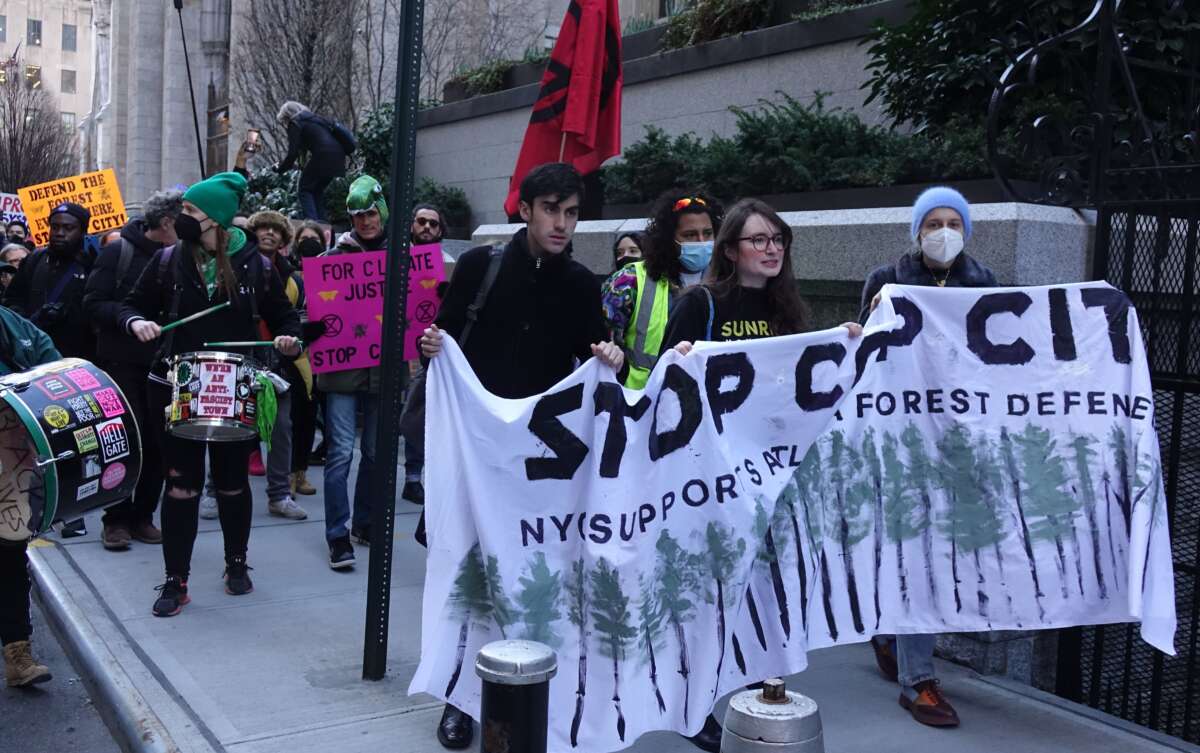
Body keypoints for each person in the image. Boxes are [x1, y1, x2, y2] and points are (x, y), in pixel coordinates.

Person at [419, 162, 623, 750]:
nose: (563, 223)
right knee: (468, 573)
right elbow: (442, 337)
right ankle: (459, 698)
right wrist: (431, 343)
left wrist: (611, 356)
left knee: (531, 572)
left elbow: (598, 361)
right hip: (475, 454)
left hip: (538, 462)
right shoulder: (480, 267)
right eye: (552, 210)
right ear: (526, 209)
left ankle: (529, 680)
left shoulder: (584, 284)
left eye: (573, 212)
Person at [661, 198, 862, 752]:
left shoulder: (788, 310)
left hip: (767, 480)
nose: (771, 249)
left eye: (778, 240)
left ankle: (746, 687)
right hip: (708, 479)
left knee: (756, 590)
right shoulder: (701, 302)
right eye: (759, 240)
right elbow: (661, 386)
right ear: (730, 249)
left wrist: (841, 346)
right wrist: (678, 359)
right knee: (706, 593)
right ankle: (693, 705)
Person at [119, 172, 302, 617]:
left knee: (232, 484)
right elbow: (127, 304)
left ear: (216, 221)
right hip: (176, 382)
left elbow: (286, 317)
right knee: (181, 485)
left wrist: (288, 339)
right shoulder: (166, 260)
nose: (182, 218)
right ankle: (175, 580)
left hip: (233, 384)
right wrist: (136, 322)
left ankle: (236, 563)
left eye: (191, 212)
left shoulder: (257, 264)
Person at [858, 186, 995, 729]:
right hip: (902, 435)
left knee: (935, 548)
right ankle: (919, 680)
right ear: (917, 230)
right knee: (916, 546)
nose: (944, 232)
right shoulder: (886, 280)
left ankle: (892, 635)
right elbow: (864, 358)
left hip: (955, 433)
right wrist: (873, 319)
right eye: (933, 222)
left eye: (953, 222)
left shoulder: (982, 282)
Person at [84, 189, 184, 551]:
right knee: (126, 440)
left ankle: (143, 515)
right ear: (168, 222)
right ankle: (116, 519)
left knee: (160, 441)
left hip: (164, 364)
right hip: (121, 363)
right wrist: (130, 321)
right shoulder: (118, 252)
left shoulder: (182, 256)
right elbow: (93, 302)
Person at [602, 190, 722, 389]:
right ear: (668, 239)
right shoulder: (628, 281)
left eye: (708, 233)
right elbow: (602, 347)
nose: (701, 242)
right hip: (642, 404)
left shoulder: (726, 281)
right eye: (690, 235)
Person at [0, 305, 61, 688]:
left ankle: (18, 652)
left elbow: (52, 365)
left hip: (9, 449)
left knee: (9, 550)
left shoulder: (12, 322)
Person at [247, 210, 310, 520]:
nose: (269, 233)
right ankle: (212, 491)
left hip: (274, 360)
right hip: (240, 356)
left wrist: (292, 338)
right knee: (231, 424)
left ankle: (279, 494)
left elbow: (289, 315)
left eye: (276, 229)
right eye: (263, 228)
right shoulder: (235, 264)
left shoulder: (287, 274)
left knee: (282, 425)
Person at [3, 203, 97, 361]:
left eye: (68, 228)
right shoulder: (34, 259)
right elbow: (12, 300)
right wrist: (30, 321)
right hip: (34, 352)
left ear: (83, 231)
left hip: (77, 356)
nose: (60, 233)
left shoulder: (93, 263)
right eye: (55, 227)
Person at [287, 221, 326, 497]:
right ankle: (285, 474)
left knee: (309, 418)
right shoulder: (288, 276)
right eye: (304, 239)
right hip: (294, 356)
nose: (308, 243)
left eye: (314, 239)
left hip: (323, 356)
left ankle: (300, 472)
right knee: (292, 418)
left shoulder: (331, 275)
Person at [275, 101, 350, 222]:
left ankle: (313, 227)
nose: (285, 124)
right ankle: (323, 227)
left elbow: (292, 153)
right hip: (338, 159)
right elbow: (303, 154)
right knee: (317, 191)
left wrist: (280, 169)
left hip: (322, 157)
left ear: (287, 116)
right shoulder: (316, 120)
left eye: (284, 121)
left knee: (304, 190)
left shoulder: (295, 122)